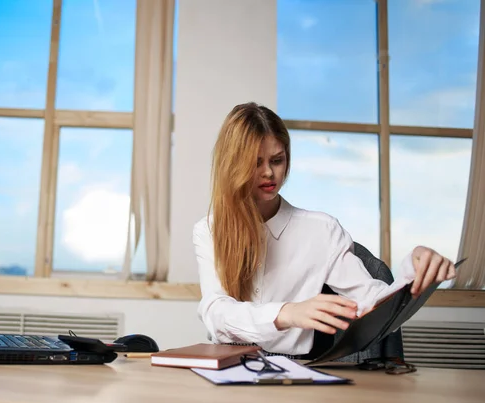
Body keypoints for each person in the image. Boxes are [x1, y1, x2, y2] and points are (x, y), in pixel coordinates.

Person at [193, 102, 457, 357]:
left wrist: (414, 270)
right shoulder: (209, 230)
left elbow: (371, 303)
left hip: (294, 370)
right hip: (225, 363)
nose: (269, 173)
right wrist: (287, 313)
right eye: (256, 162)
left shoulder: (322, 230)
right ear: (233, 165)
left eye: (277, 160)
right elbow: (216, 312)